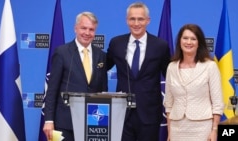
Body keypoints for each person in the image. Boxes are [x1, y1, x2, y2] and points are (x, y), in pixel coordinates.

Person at [107, 2, 171, 141]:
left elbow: (170, 77)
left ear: (148, 21)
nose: (136, 23)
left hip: (149, 114)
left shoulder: (160, 45)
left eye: (140, 19)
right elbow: (101, 68)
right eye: (132, 19)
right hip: (122, 113)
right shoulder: (116, 43)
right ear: (126, 20)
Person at [43, 11, 108, 141]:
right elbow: (52, 89)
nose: (87, 33)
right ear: (75, 28)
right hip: (64, 122)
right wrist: (49, 120)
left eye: (91, 29)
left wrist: (103, 121)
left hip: (92, 122)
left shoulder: (101, 55)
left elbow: (103, 90)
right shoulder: (62, 52)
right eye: (83, 28)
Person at [163, 24, 224, 141]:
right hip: (177, 129)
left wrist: (215, 130)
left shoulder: (210, 66)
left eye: (193, 39)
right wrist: (170, 132)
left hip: (202, 128)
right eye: (185, 38)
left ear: (199, 43)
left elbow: (217, 103)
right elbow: (169, 104)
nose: (188, 42)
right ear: (180, 41)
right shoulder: (171, 67)